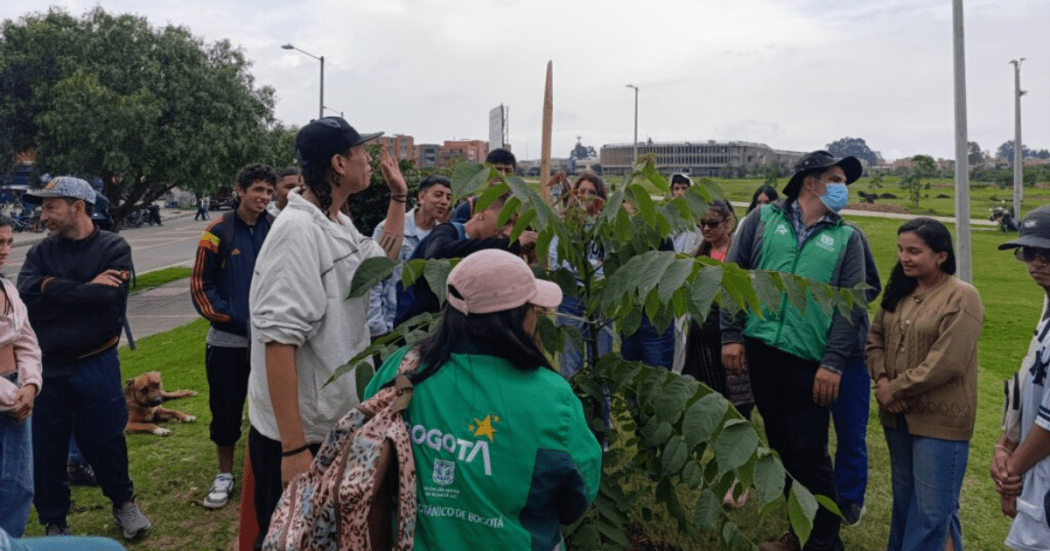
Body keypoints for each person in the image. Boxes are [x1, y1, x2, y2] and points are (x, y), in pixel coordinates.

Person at [362, 249, 602, 550]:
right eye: (533, 309)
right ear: (518, 319)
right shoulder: (553, 398)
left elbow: (368, 452)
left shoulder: (402, 368)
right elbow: (577, 494)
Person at [246, 117, 407, 549]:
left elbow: (380, 259)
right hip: (302, 434)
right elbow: (277, 342)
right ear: (338, 163)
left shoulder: (335, 222)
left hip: (330, 424)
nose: (370, 161)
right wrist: (294, 451)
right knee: (293, 538)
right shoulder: (297, 233)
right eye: (362, 153)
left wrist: (398, 195)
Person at [721, 150, 867, 551]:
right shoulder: (762, 220)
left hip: (810, 360)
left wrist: (833, 363)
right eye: (836, 179)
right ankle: (798, 531)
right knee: (782, 446)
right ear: (810, 182)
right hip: (763, 349)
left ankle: (824, 541)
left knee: (811, 452)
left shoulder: (846, 238)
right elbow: (733, 277)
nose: (842, 188)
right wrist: (730, 335)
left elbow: (850, 307)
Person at [16, 177, 150, 539]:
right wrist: (81, 288)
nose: (42, 214)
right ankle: (54, 521)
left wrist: (51, 289)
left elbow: (106, 303)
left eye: (50, 206)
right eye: (42, 207)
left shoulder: (113, 247)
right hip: (49, 368)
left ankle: (124, 503)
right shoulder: (39, 253)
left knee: (106, 439)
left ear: (77, 206)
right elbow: (26, 295)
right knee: (48, 446)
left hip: (97, 363)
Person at [867, 217, 983, 551]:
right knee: (907, 506)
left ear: (941, 256)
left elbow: (948, 361)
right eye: (901, 249)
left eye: (915, 251)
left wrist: (897, 389)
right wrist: (884, 380)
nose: (905, 257)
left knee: (933, 513)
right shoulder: (900, 292)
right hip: (897, 418)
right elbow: (874, 343)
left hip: (940, 423)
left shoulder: (962, 297)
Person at [190, 164, 276, 509]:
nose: (264, 197)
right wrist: (235, 319)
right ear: (239, 190)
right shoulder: (215, 231)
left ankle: (262, 471)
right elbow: (200, 286)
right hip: (228, 342)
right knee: (226, 410)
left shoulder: (277, 229)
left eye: (269, 192)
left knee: (270, 406)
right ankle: (224, 474)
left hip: (271, 341)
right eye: (257, 190)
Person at [990, 206, 1050, 550]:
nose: (1037, 263)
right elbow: (1027, 382)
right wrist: (1004, 444)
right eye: (1029, 252)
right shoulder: (1046, 312)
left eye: (1048, 254)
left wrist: (1011, 473)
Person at [393, 192, 536, 326]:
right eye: (506, 221)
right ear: (482, 211)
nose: (509, 232)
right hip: (415, 332)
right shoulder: (446, 231)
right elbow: (440, 253)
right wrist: (512, 244)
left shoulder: (492, 250)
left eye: (514, 226)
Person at [368, 174, 452, 338]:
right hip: (390, 325)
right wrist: (377, 326)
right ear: (421, 196)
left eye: (448, 197)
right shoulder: (391, 227)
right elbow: (375, 277)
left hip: (423, 329)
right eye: (438, 195)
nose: (444, 201)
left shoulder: (444, 236)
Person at [0, 215, 42, 538]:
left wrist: (29, 385)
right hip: (6, 396)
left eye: (9, 242)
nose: (5, 249)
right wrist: (11, 395)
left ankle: (9, 542)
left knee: (17, 484)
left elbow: (26, 342)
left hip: (15, 397)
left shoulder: (8, 289)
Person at [550, 171, 613, 378]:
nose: (585, 196)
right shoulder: (565, 223)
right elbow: (558, 260)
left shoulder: (606, 226)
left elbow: (611, 263)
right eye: (581, 191)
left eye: (592, 192)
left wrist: (588, 265)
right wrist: (593, 264)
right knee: (570, 365)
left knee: (602, 364)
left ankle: (600, 410)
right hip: (571, 297)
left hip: (599, 297)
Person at [451, 148, 516, 224]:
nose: (502, 175)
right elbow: (452, 232)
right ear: (486, 174)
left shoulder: (522, 207)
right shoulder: (469, 207)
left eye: (508, 171)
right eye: (497, 170)